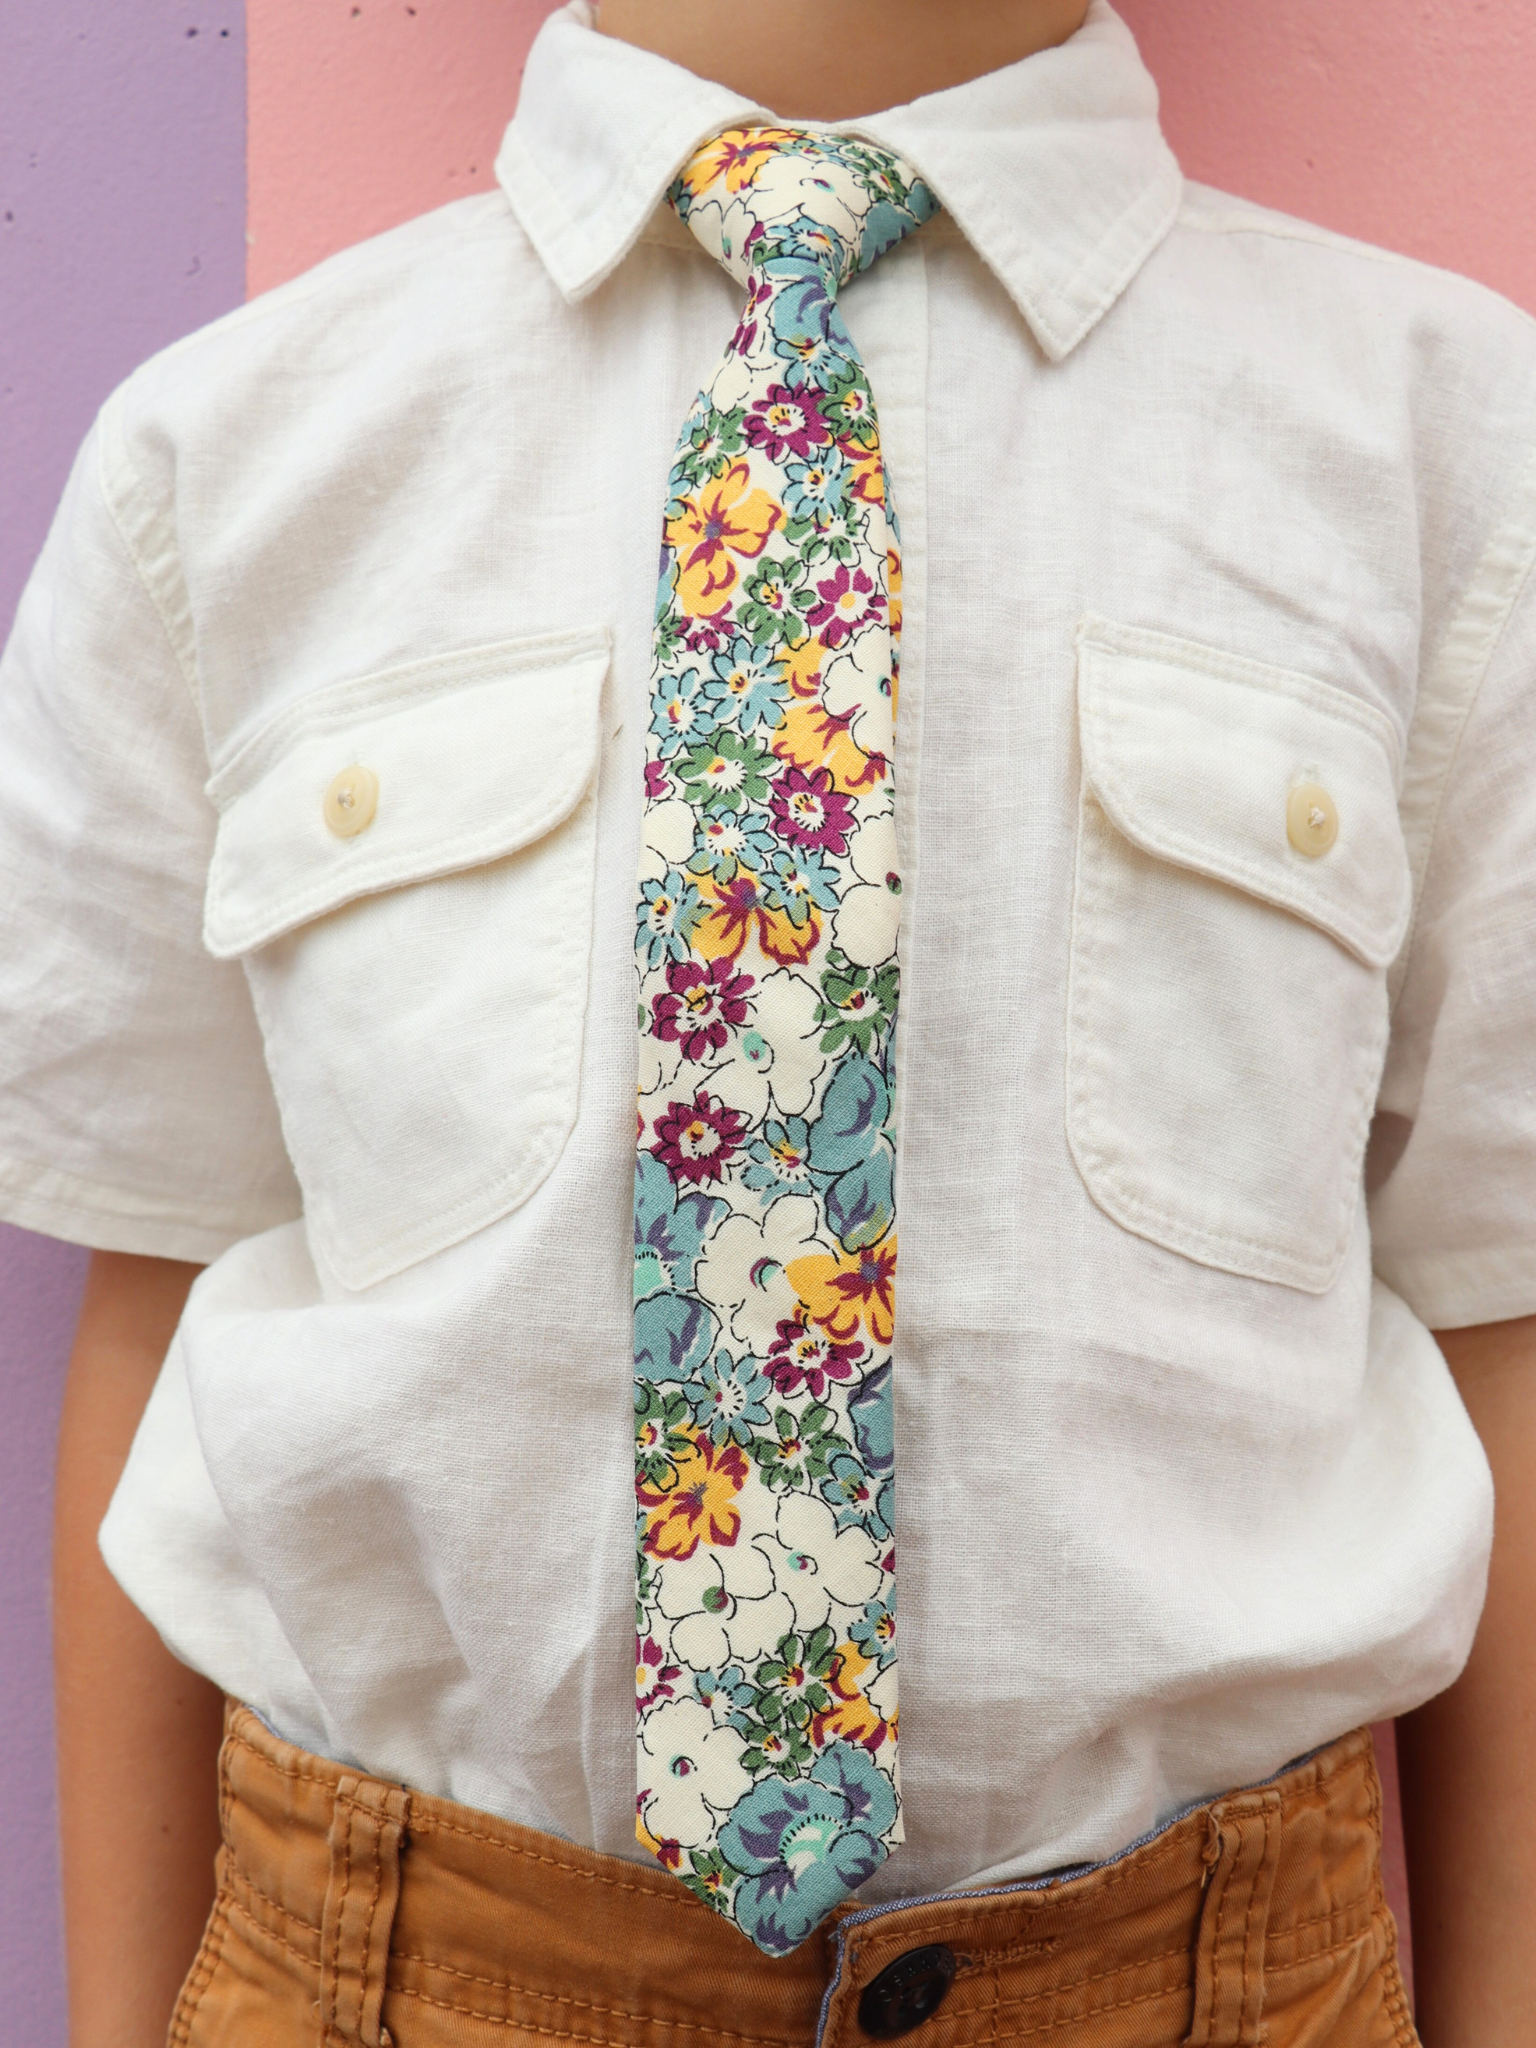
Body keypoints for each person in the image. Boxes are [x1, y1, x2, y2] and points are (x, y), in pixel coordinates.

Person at [4, 0, 1534, 2039]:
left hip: (1204, 1974)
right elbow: (162, 1281)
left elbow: (1503, 1299)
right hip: (390, 1964)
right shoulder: (239, 460)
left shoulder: (1443, 449)